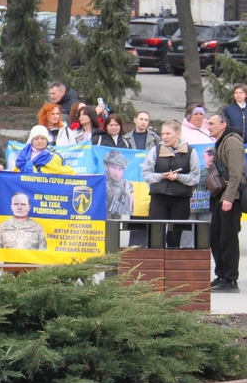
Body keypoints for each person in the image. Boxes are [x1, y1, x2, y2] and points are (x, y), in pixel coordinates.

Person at [142, 120, 201, 248]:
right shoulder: (155, 150)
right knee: (156, 236)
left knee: (175, 237)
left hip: (181, 199)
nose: (164, 137)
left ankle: (173, 260)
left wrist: (178, 177)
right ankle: (156, 260)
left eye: (168, 133)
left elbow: (195, 177)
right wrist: (162, 176)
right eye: (163, 134)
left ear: (178, 134)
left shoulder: (190, 151)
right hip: (159, 198)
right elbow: (146, 174)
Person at [207, 113, 245, 292]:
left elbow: (236, 173)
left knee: (227, 239)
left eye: (211, 123)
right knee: (216, 237)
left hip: (231, 198)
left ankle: (230, 280)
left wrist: (229, 198)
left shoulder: (232, 142)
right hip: (220, 197)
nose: (208, 127)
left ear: (223, 125)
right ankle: (221, 275)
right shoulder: (221, 141)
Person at [104, 150, 134, 218]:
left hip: (121, 220)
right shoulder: (100, 183)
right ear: (106, 166)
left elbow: (130, 210)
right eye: (113, 167)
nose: (117, 173)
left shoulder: (128, 186)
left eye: (120, 169)